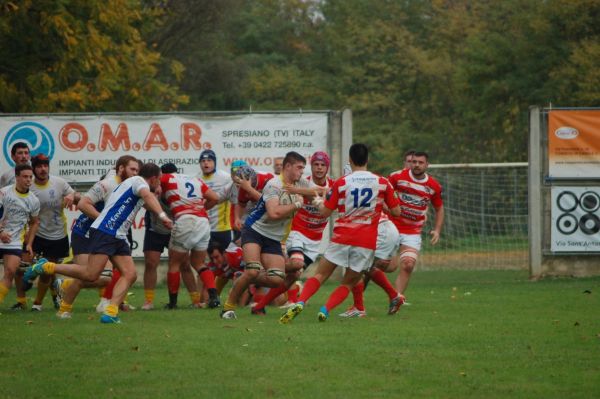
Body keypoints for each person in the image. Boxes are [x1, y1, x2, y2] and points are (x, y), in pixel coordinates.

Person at [24, 162, 173, 324]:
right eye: (159, 180)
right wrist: (163, 216)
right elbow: (147, 196)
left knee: (130, 274)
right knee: (91, 274)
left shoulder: (130, 183)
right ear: (153, 179)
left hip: (117, 234)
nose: (160, 184)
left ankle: (110, 313)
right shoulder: (139, 182)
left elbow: (145, 200)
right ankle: (46, 266)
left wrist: (156, 202)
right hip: (106, 231)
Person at [279, 143, 402, 323]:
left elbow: (325, 212)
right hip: (365, 241)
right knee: (348, 282)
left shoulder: (342, 182)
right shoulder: (383, 182)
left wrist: (318, 201)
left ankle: (301, 302)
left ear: (350, 160)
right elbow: (397, 211)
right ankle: (325, 309)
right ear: (367, 160)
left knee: (320, 275)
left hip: (342, 237)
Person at [220, 151, 309, 319]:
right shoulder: (273, 184)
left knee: (276, 279)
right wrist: (297, 203)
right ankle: (227, 308)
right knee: (253, 270)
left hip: (274, 237)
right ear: (287, 167)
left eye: (303, 168)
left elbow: (315, 190)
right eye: (299, 168)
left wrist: (319, 196)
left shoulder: (300, 182)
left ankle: (243, 277)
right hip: (255, 230)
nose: (301, 172)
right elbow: (274, 213)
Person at [53, 155, 139, 318]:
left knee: (107, 276)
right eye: (132, 169)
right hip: (85, 234)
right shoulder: (109, 183)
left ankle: (109, 305)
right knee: (87, 274)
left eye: (137, 170)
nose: (135, 173)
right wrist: (104, 221)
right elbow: (83, 202)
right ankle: (64, 308)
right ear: (120, 168)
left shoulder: (131, 186)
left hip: (105, 234)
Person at [251, 150, 333, 315]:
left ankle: (260, 305)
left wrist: (302, 192)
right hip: (297, 231)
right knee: (296, 265)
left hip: (315, 239)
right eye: (316, 164)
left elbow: (328, 197)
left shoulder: (332, 185)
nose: (319, 168)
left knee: (294, 276)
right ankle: (266, 273)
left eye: (322, 165)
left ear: (327, 167)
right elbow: (290, 189)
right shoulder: (303, 182)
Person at [160, 169, 221, 309]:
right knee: (198, 263)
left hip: (185, 220)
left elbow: (154, 188)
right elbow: (215, 198)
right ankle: (214, 298)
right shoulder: (196, 179)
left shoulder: (167, 177)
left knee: (174, 263)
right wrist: (201, 208)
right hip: (203, 222)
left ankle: (173, 303)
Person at [388, 151, 444, 299]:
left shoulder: (433, 185)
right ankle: (358, 300)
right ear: (410, 163)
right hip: (391, 227)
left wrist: (437, 230)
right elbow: (382, 195)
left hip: (412, 231)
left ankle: (396, 299)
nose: (417, 165)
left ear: (427, 165)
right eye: (414, 162)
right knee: (385, 265)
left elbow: (439, 208)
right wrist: (386, 210)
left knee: (408, 265)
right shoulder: (397, 177)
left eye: (420, 162)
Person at [27, 154, 77, 311]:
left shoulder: (59, 182)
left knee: (48, 271)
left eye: (45, 166)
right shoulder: (29, 186)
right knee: (40, 268)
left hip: (57, 234)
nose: (43, 169)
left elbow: (75, 194)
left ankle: (38, 303)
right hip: (37, 234)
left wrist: (71, 194)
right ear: (34, 169)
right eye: (39, 166)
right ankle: (54, 296)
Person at [0, 164, 40, 306]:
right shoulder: (4, 193)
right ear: (17, 177)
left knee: (10, 271)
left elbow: (34, 222)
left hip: (14, 240)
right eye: (25, 176)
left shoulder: (34, 200)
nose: (28, 180)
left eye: (30, 177)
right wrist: (1, 232)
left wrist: (29, 243)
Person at [141, 163, 177, 310]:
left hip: (175, 230)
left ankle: (194, 299)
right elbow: (145, 205)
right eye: (165, 177)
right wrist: (155, 195)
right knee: (151, 263)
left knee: (184, 264)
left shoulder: (179, 189)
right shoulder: (150, 189)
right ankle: (148, 301)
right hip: (154, 229)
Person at [197, 149, 236, 248]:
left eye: (209, 160)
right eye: (203, 161)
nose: (206, 163)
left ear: (215, 162)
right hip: (203, 227)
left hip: (223, 228)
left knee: (225, 259)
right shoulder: (196, 179)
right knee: (207, 260)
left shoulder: (226, 177)